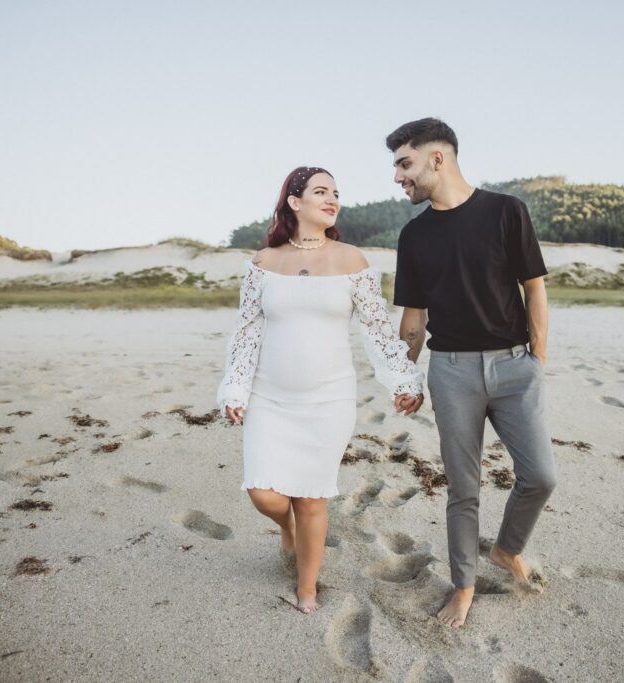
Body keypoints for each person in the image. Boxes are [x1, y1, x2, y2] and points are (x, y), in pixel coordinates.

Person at [216, 166, 425, 614]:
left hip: (328, 399)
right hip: (268, 397)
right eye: (320, 192)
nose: (332, 200)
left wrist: (404, 380)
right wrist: (235, 388)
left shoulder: (352, 260)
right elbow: (246, 332)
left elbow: (379, 331)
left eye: (336, 193)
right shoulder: (263, 262)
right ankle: (287, 531)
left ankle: (307, 588)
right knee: (264, 493)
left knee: (311, 498)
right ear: (294, 202)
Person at [387, 118, 557, 628]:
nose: (398, 177)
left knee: (541, 477)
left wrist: (537, 359)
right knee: (464, 488)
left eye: (404, 163)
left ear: (438, 158)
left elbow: (535, 287)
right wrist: (405, 378)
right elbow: (414, 320)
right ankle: (463, 585)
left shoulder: (507, 212)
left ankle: (508, 549)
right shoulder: (413, 235)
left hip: (514, 367)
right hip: (452, 374)